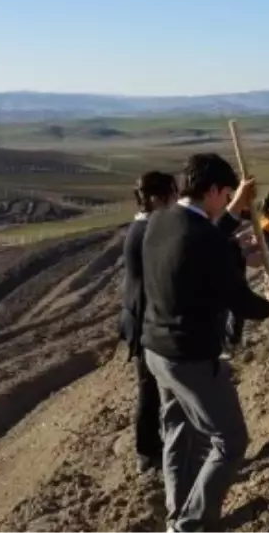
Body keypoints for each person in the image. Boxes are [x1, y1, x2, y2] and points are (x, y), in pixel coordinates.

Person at [141, 152, 269, 533]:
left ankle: (178, 512)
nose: (227, 203)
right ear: (213, 190)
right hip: (190, 356)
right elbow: (238, 299)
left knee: (178, 431)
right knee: (230, 438)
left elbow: (202, 235)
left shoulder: (160, 219)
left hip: (156, 351)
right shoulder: (205, 237)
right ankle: (190, 526)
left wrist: (233, 211)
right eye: (225, 196)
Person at [120, 170, 178, 475]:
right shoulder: (148, 233)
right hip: (144, 321)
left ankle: (153, 447)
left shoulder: (145, 227)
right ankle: (147, 452)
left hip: (142, 316)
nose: (175, 200)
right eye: (171, 194)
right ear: (156, 198)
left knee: (153, 387)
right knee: (149, 389)